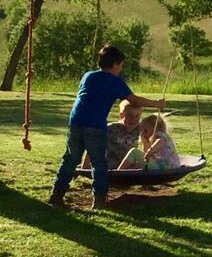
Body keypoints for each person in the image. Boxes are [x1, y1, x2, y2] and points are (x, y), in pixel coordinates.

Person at [48, 44, 166, 210]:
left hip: (75, 122)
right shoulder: (115, 81)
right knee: (99, 163)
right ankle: (99, 201)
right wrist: (156, 104)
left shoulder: (87, 76)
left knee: (70, 158)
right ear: (115, 64)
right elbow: (135, 101)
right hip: (95, 125)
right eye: (121, 65)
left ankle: (57, 195)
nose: (121, 69)